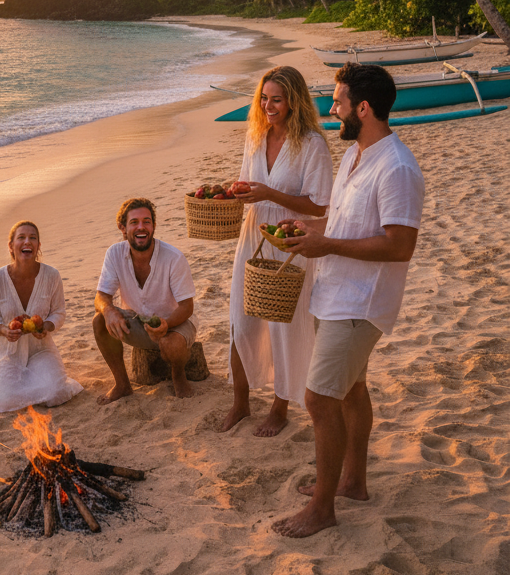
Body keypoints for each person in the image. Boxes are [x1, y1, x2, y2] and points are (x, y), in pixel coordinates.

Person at [271, 62, 424, 538]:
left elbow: (400, 246)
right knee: (352, 390)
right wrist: (311, 230)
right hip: (333, 292)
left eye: (337, 102)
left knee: (318, 399)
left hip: (361, 302)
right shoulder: (358, 155)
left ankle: (321, 509)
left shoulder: (397, 167)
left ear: (363, 107)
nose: (331, 108)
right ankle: (352, 483)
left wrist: (328, 245)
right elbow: (343, 221)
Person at [218, 66, 333, 437]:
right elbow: (247, 181)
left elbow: (319, 206)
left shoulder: (311, 143)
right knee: (242, 319)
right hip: (253, 234)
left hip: (290, 240)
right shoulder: (255, 136)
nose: (268, 106)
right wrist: (237, 190)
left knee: (283, 325)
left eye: (277, 100)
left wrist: (268, 193)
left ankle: (280, 408)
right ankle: (240, 403)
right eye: (264, 98)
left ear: (293, 101)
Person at [92, 198, 199, 404]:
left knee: (171, 344)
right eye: (134, 222)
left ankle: (178, 375)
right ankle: (122, 384)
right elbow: (101, 297)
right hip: (138, 321)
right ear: (123, 228)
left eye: (147, 221)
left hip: (176, 323)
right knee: (99, 321)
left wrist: (167, 324)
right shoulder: (114, 253)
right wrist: (108, 311)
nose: (141, 227)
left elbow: (187, 307)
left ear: (154, 226)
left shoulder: (173, 258)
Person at [0, 220, 83, 412]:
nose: (27, 241)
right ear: (11, 246)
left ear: (38, 246)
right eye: (21, 237)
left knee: (57, 392)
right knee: (3, 400)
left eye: (33, 238)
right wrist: (4, 330)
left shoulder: (52, 276)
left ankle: (33, 381)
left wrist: (47, 326)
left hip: (41, 349)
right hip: (6, 352)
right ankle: (9, 382)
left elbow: (59, 312)